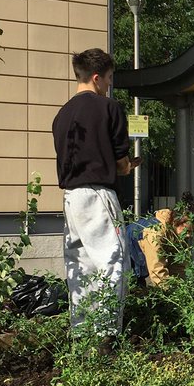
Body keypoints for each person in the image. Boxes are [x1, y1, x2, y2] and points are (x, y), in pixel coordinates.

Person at [52, 49, 137, 335]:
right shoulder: (108, 107)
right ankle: (106, 337)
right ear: (97, 78)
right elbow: (121, 162)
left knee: (80, 268)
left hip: (70, 198)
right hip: (99, 195)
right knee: (113, 264)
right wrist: (125, 168)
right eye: (110, 79)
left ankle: (81, 335)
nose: (110, 86)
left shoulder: (61, 115)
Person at [138, 193, 194, 287]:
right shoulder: (155, 233)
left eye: (193, 231)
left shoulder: (179, 234)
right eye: (187, 230)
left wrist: (181, 288)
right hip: (127, 260)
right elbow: (157, 271)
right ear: (176, 222)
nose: (189, 235)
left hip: (141, 267)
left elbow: (178, 267)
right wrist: (171, 292)